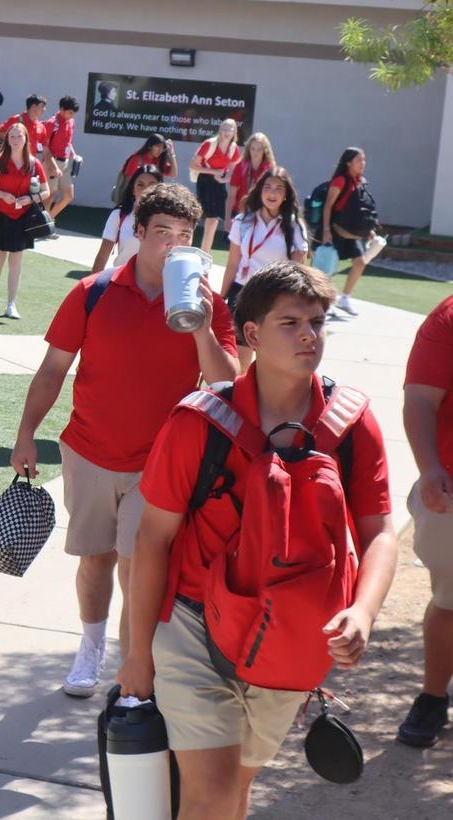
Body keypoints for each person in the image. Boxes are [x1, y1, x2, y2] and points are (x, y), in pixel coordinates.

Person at [118, 261, 396, 820]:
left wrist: (363, 611)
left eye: (317, 322)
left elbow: (380, 534)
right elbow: (151, 543)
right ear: (251, 334)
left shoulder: (351, 423)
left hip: (291, 637)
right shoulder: (200, 423)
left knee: (233, 792)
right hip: (193, 627)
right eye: (290, 322)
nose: (308, 335)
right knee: (214, 790)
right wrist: (137, 654)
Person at [10, 183, 238, 699]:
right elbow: (52, 371)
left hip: (162, 464)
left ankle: (135, 669)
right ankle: (90, 649)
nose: (173, 245)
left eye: (184, 236)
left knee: (140, 567)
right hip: (89, 451)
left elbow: (227, 385)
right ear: (138, 234)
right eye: (162, 233)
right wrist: (26, 434)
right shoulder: (93, 291)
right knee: (96, 561)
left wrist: (201, 325)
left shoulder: (210, 304)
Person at [397, 294, 453, 747]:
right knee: (451, 603)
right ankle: (434, 697)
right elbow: (418, 399)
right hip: (452, 486)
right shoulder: (449, 317)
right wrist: (430, 468)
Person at [219, 168, 309, 371]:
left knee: (269, 352)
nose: (272, 193)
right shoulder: (243, 221)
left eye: (279, 188)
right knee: (241, 351)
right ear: (259, 191)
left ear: (286, 194)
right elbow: (232, 263)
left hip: (275, 295)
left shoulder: (294, 226)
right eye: (267, 187)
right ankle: (240, 396)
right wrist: (221, 297)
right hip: (242, 291)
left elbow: (297, 270)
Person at [0, 121, 48, 319]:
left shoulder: (34, 163)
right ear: (7, 140)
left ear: (26, 139)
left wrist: (30, 198)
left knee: (16, 260)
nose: (16, 140)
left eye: (19, 136)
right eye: (12, 136)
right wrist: (0, 194)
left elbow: (46, 190)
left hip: (22, 216)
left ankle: (11, 304)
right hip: (0, 213)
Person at [320, 147, 377, 316]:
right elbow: (328, 206)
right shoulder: (340, 181)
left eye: (364, 159)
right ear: (348, 162)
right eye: (359, 160)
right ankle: (325, 301)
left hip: (352, 233)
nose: (363, 163)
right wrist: (326, 229)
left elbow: (363, 209)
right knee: (328, 268)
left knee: (360, 263)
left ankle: (344, 298)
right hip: (335, 230)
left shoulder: (360, 181)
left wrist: (370, 229)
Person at [91, 165, 164, 272]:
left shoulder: (169, 219)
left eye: (152, 185)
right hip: (122, 281)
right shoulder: (119, 215)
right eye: (140, 185)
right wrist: (92, 286)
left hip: (154, 285)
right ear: (133, 190)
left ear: (161, 189)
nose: (146, 190)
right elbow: (103, 254)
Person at [190, 118, 241, 252]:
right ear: (220, 130)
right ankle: (193, 246)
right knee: (206, 216)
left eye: (230, 129)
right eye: (224, 128)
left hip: (219, 182)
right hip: (205, 180)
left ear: (235, 132)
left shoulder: (233, 148)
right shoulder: (209, 144)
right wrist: (213, 171)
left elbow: (233, 170)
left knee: (214, 219)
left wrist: (224, 179)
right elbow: (193, 165)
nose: (227, 132)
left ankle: (205, 252)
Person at [224, 132, 275, 229]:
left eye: (259, 149)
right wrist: (227, 219)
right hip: (240, 212)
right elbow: (231, 195)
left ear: (265, 150)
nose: (255, 152)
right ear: (248, 149)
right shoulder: (240, 167)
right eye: (253, 149)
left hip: (261, 214)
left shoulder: (270, 169)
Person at [44, 95, 80, 219]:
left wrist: (74, 155)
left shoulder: (71, 122)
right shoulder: (51, 123)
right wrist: (54, 166)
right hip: (51, 163)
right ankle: (43, 225)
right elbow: (45, 148)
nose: (72, 115)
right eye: (69, 112)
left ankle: (48, 221)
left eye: (73, 113)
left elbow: (68, 142)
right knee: (50, 193)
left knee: (69, 195)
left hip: (64, 163)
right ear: (61, 109)